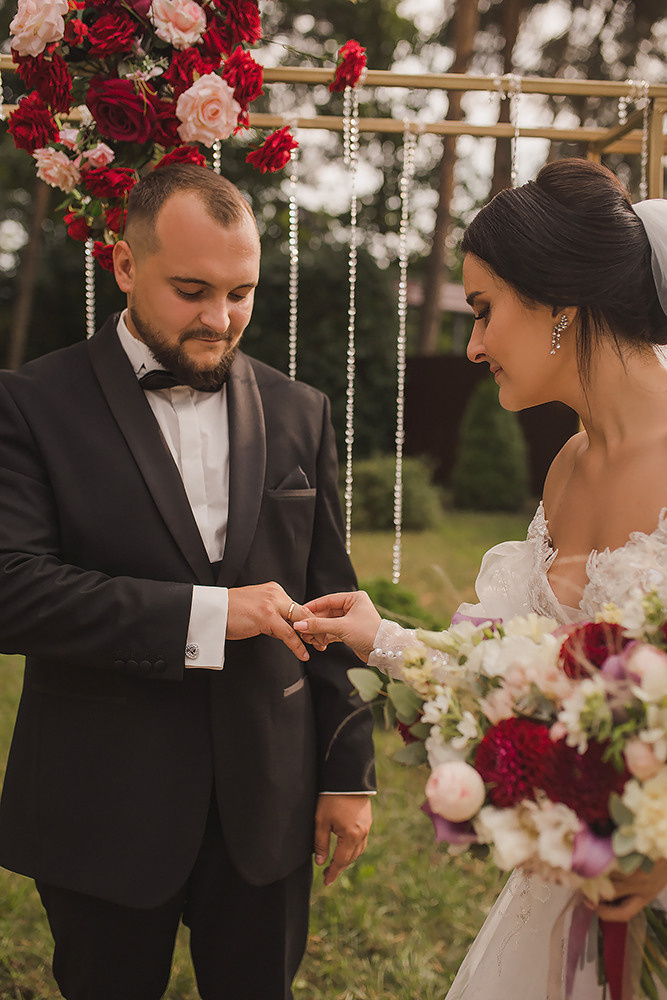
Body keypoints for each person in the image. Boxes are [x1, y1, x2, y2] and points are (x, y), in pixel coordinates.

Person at [0, 163, 375, 1000]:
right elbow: (13, 591)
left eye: (241, 292)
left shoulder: (300, 410)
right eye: (192, 290)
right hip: (102, 798)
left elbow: (334, 599)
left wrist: (347, 771)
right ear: (124, 266)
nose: (220, 318)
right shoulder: (29, 404)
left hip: (267, 804)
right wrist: (210, 615)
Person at [294, 158, 667, 998]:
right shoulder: (568, 469)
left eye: (483, 310)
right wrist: (378, 636)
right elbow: (515, 671)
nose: (471, 345)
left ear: (559, 305)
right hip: (571, 895)